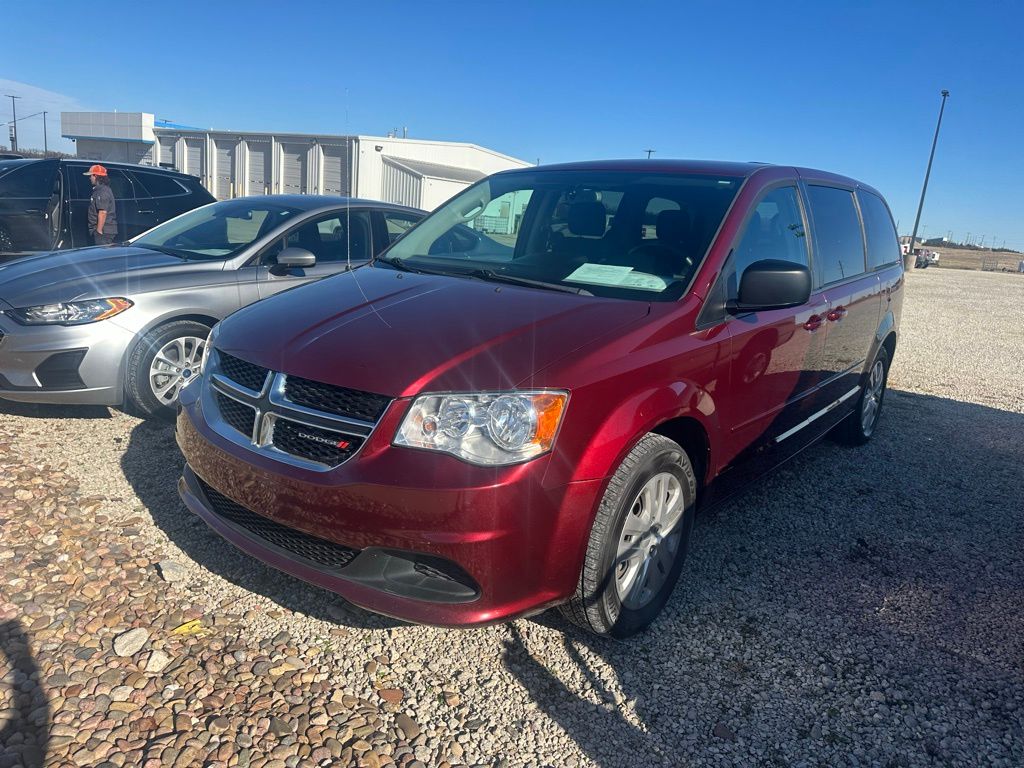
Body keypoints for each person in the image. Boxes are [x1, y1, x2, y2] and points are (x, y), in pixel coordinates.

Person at [85, 164, 118, 245]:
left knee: (102, 253)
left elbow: (102, 212)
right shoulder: (99, 190)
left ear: (96, 176)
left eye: (91, 176)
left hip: (104, 232)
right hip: (102, 230)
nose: (89, 178)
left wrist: (99, 231)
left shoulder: (102, 191)